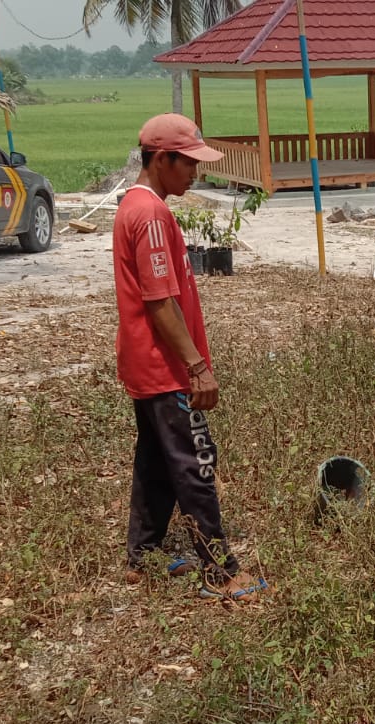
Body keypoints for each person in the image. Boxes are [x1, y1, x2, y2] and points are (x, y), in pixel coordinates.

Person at [112, 113, 267, 602]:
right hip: (165, 367)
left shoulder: (134, 208)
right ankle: (221, 571)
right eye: (189, 163)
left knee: (156, 459)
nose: (195, 173)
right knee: (196, 461)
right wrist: (197, 367)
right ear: (162, 160)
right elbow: (159, 301)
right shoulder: (151, 215)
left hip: (145, 362)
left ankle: (144, 556)